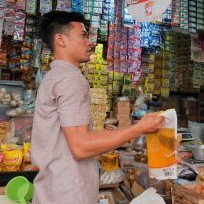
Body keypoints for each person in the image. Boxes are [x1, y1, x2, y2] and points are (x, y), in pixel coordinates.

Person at [31, 11, 164, 204]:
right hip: (68, 194)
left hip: (54, 190)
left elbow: (71, 139)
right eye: (83, 35)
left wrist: (107, 134)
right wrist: (139, 128)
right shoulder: (70, 79)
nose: (90, 42)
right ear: (60, 40)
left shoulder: (54, 76)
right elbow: (80, 146)